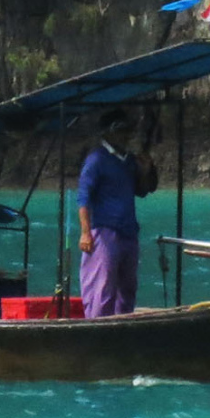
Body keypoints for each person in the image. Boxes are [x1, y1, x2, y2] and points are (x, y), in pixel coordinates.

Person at [75, 108, 158, 318]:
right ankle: (98, 327)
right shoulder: (97, 159)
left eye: (127, 130)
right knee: (103, 287)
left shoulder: (128, 160)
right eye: (120, 130)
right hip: (104, 231)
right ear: (107, 133)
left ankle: (123, 324)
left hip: (128, 231)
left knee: (127, 287)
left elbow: (142, 190)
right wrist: (85, 233)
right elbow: (83, 196)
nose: (125, 135)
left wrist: (147, 169)